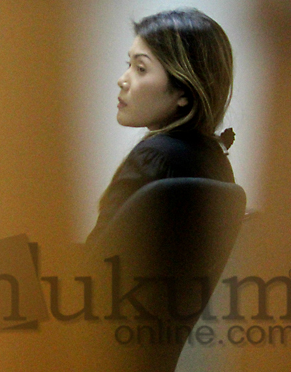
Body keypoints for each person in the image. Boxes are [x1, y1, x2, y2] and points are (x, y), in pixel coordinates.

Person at [85, 8, 236, 243]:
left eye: (141, 68)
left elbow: (94, 265)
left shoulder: (152, 158)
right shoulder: (217, 161)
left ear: (184, 91)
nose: (122, 80)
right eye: (129, 64)